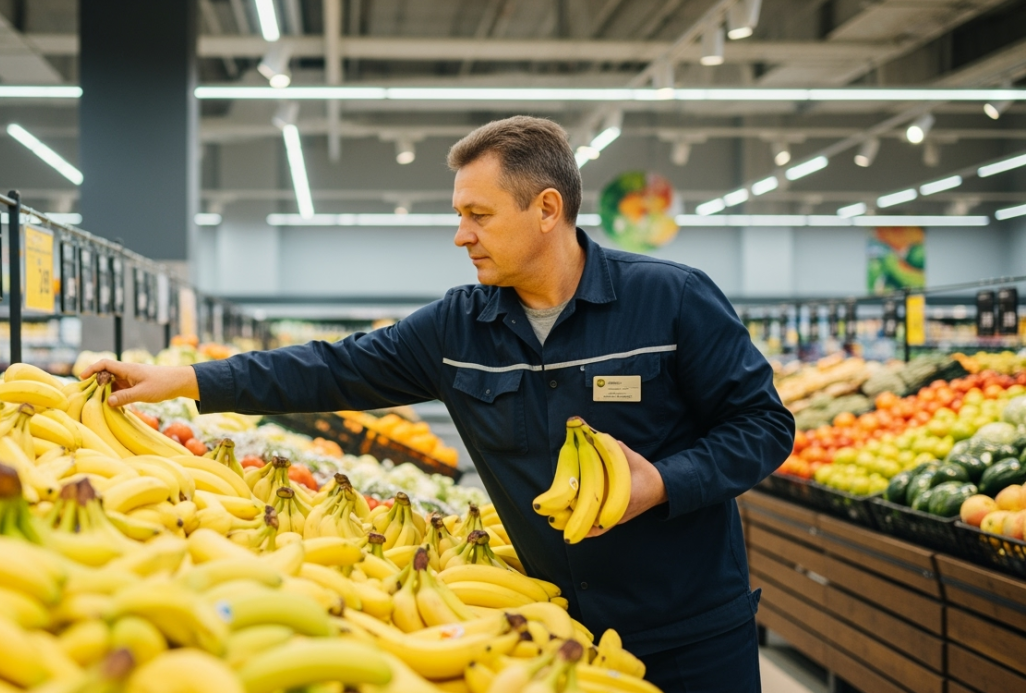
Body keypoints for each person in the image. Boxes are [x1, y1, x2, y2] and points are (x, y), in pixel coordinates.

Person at [83, 115, 794, 693]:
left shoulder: (670, 299)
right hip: (551, 633)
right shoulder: (460, 328)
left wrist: (663, 483)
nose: (462, 235)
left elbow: (764, 425)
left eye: (478, 215)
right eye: (459, 215)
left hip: (693, 632)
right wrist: (186, 382)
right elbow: (332, 368)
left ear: (547, 209)